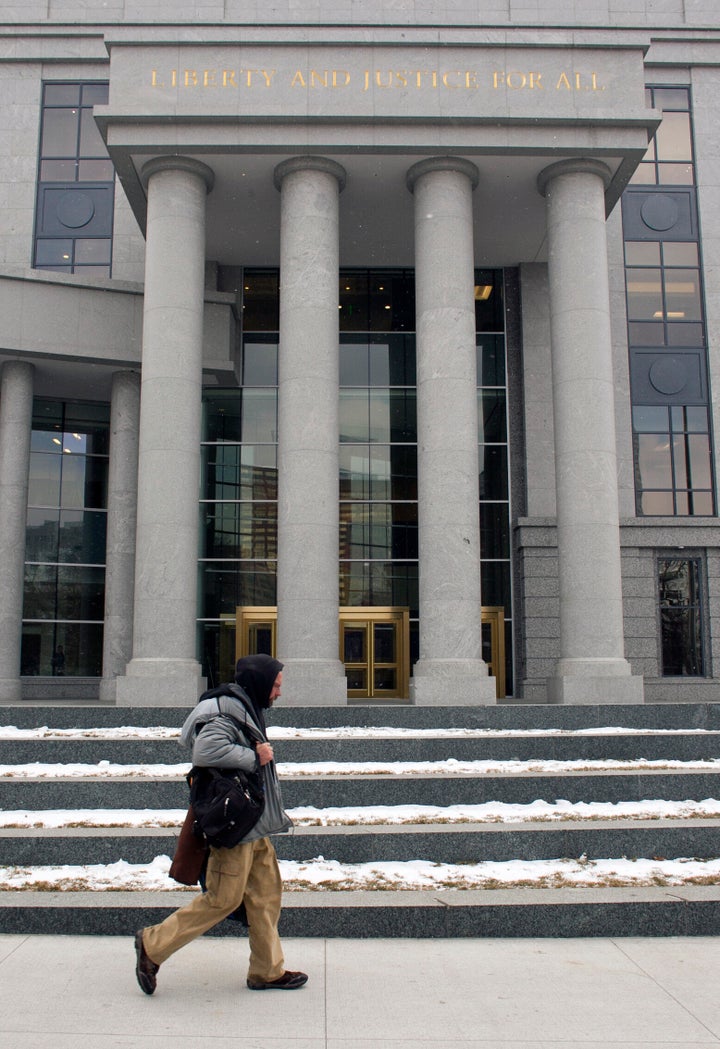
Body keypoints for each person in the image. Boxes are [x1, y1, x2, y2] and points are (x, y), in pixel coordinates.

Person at [134, 653, 307, 995]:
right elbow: (205, 752)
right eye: (275, 686)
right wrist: (255, 757)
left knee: (265, 895)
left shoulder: (242, 705)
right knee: (223, 898)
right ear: (259, 683)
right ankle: (152, 945)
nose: (278, 693)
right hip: (235, 827)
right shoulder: (225, 710)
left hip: (250, 823)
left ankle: (267, 971)